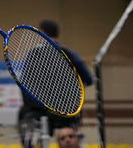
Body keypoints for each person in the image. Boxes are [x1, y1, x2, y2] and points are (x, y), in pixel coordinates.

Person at [18, 19, 93, 148]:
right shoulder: (69, 54)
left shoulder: (33, 54)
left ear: (41, 32)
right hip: (68, 112)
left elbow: (25, 86)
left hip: (39, 112)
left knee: (23, 114)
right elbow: (89, 80)